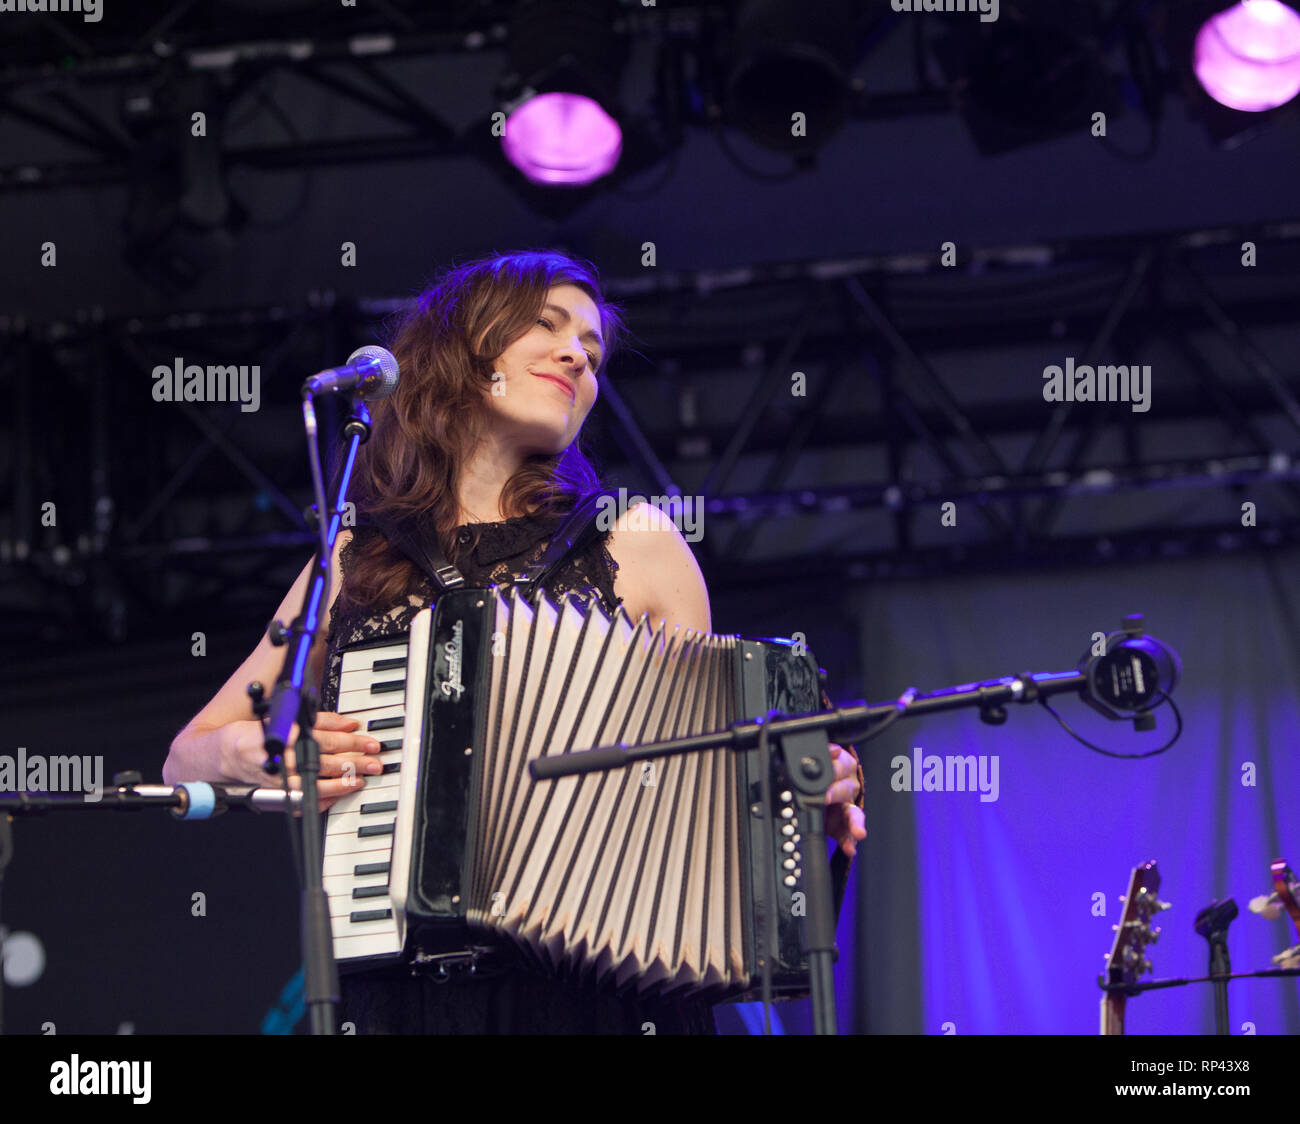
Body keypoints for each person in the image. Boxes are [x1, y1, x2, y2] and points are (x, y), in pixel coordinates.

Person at [164, 249, 866, 1034]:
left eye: (593, 351)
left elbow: (706, 793)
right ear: (463, 348)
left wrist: (795, 794)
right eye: (549, 326)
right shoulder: (354, 554)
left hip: (599, 997)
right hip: (406, 1002)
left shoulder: (633, 541)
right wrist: (244, 756)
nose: (578, 356)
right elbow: (188, 753)